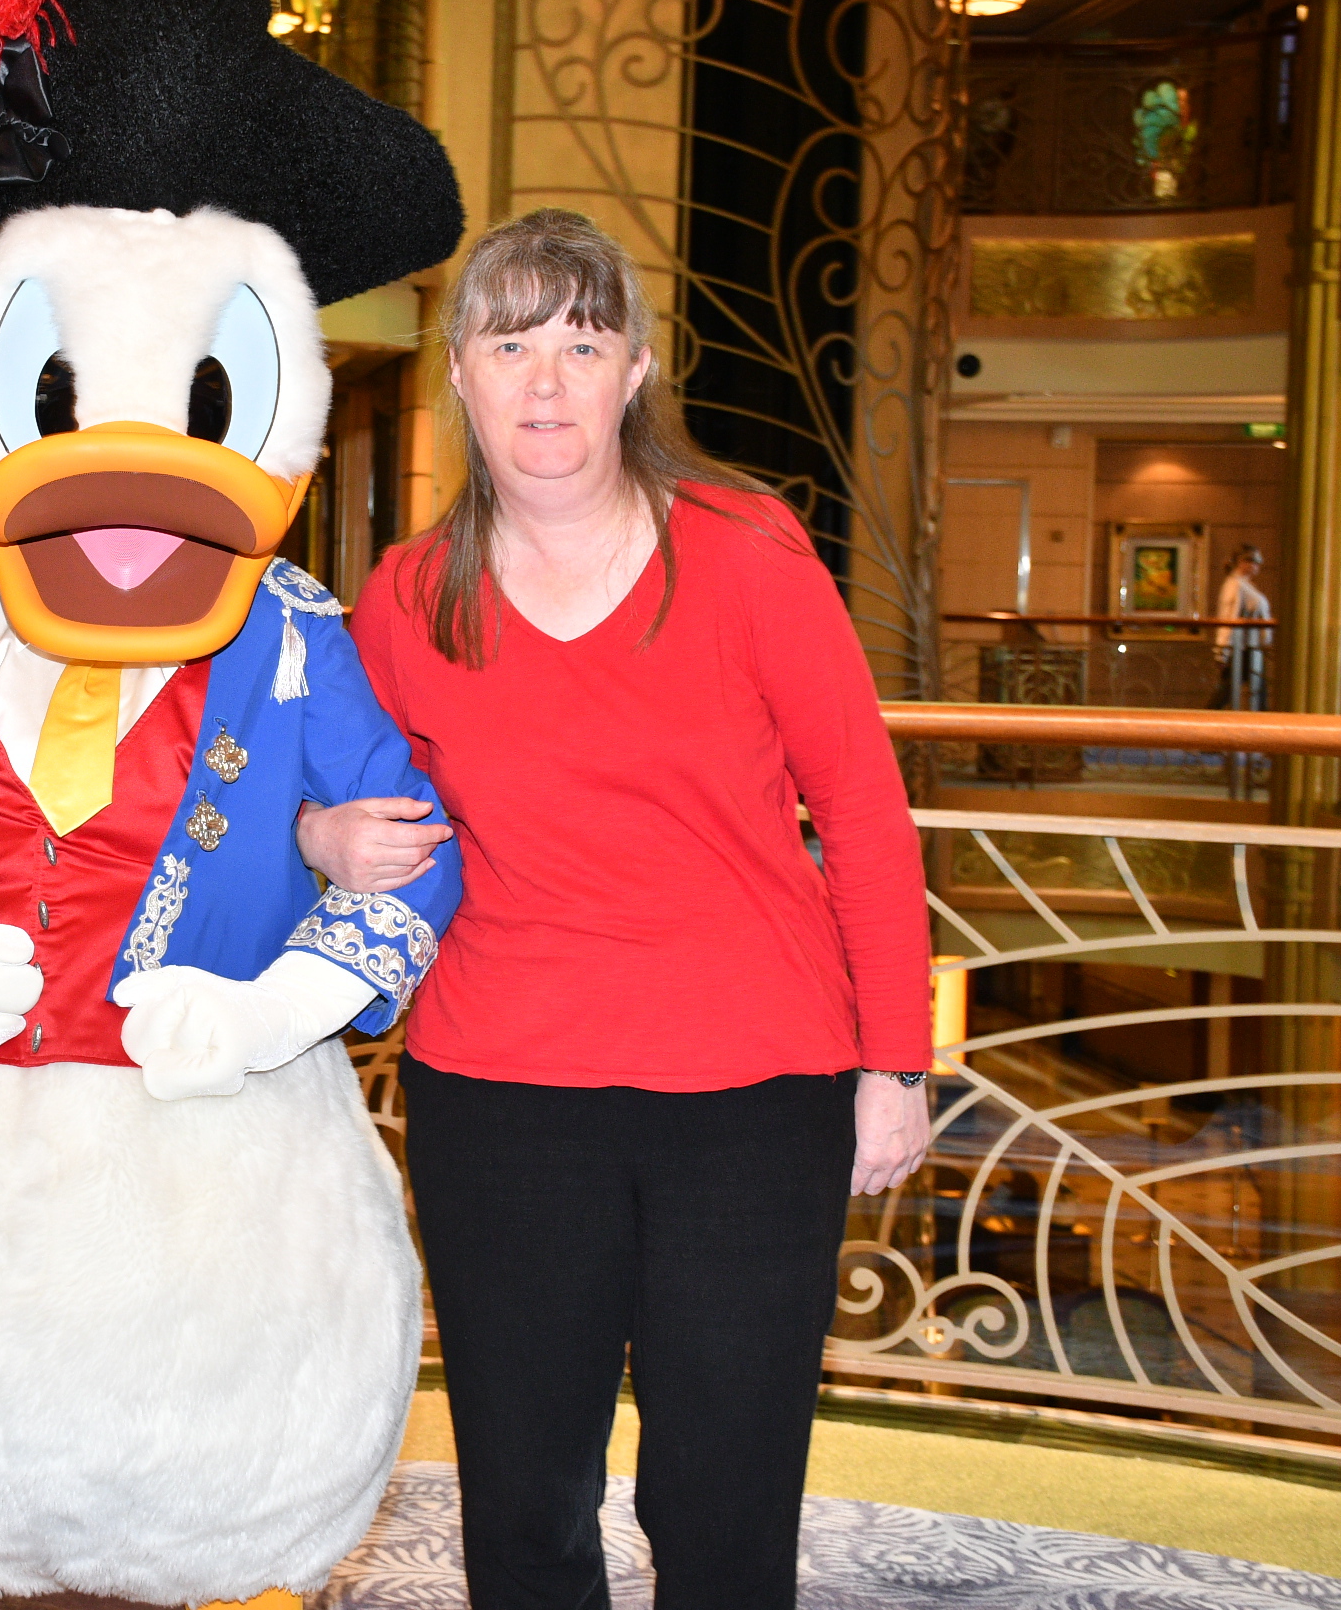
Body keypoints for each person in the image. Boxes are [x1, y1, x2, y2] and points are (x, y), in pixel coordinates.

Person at [300, 209, 932, 1610]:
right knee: (524, 1499)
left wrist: (896, 1060)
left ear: (635, 370)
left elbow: (865, 814)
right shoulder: (407, 596)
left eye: (582, 345)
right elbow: (310, 785)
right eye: (510, 343)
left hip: (754, 1093)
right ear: (459, 373)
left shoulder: (749, 549)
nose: (546, 381)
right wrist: (319, 834)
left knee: (723, 1501)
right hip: (501, 1095)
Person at [1209, 543, 1270, 711]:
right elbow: (1228, 618)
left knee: (1255, 693)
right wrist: (1222, 651)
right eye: (1252, 560)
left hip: (1251, 648)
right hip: (1241, 650)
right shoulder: (1235, 585)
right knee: (1226, 692)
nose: (1257, 565)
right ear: (1241, 562)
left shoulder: (1246, 585)